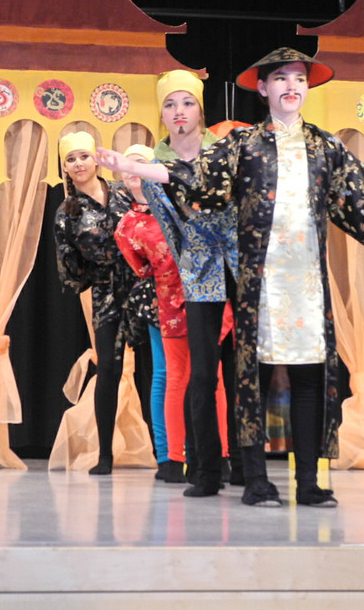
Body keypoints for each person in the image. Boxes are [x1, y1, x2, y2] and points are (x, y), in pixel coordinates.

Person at [96, 47, 364, 506]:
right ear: (263, 88)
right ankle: (256, 481)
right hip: (257, 281)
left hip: (305, 283)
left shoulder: (325, 146)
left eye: (299, 78)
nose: (291, 86)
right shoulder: (243, 144)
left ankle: (308, 483)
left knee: (308, 379)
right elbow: (194, 174)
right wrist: (130, 167)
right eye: (281, 78)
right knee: (253, 381)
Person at [141, 70, 240, 497]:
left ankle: (247, 466)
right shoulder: (152, 169)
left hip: (241, 266)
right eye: (169, 104)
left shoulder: (228, 152)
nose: (179, 111)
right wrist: (195, 264)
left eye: (187, 103)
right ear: (162, 114)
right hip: (199, 272)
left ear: (200, 109)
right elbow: (172, 230)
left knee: (244, 372)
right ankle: (203, 467)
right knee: (200, 373)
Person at [53, 130, 139, 476]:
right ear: (64, 167)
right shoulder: (67, 212)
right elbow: (69, 268)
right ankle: (105, 455)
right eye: (71, 159)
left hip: (145, 286)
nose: (78, 164)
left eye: (84, 156)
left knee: (159, 369)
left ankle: (173, 456)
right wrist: (95, 273)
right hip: (106, 293)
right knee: (109, 369)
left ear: (96, 160)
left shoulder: (124, 192)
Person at [115, 144, 192, 484]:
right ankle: (167, 455)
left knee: (203, 375)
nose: (133, 170)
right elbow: (141, 268)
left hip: (198, 296)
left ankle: (204, 452)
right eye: (127, 165)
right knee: (165, 375)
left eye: (141, 163)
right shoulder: (127, 224)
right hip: (159, 300)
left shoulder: (178, 207)